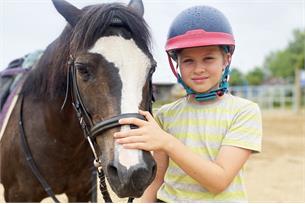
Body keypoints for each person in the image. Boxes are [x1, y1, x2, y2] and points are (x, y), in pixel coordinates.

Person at [114, 5, 262, 202]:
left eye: (208, 58)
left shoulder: (244, 112)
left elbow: (219, 181)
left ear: (226, 59)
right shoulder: (166, 115)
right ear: (177, 64)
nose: (198, 69)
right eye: (188, 61)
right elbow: (157, 180)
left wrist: (167, 142)